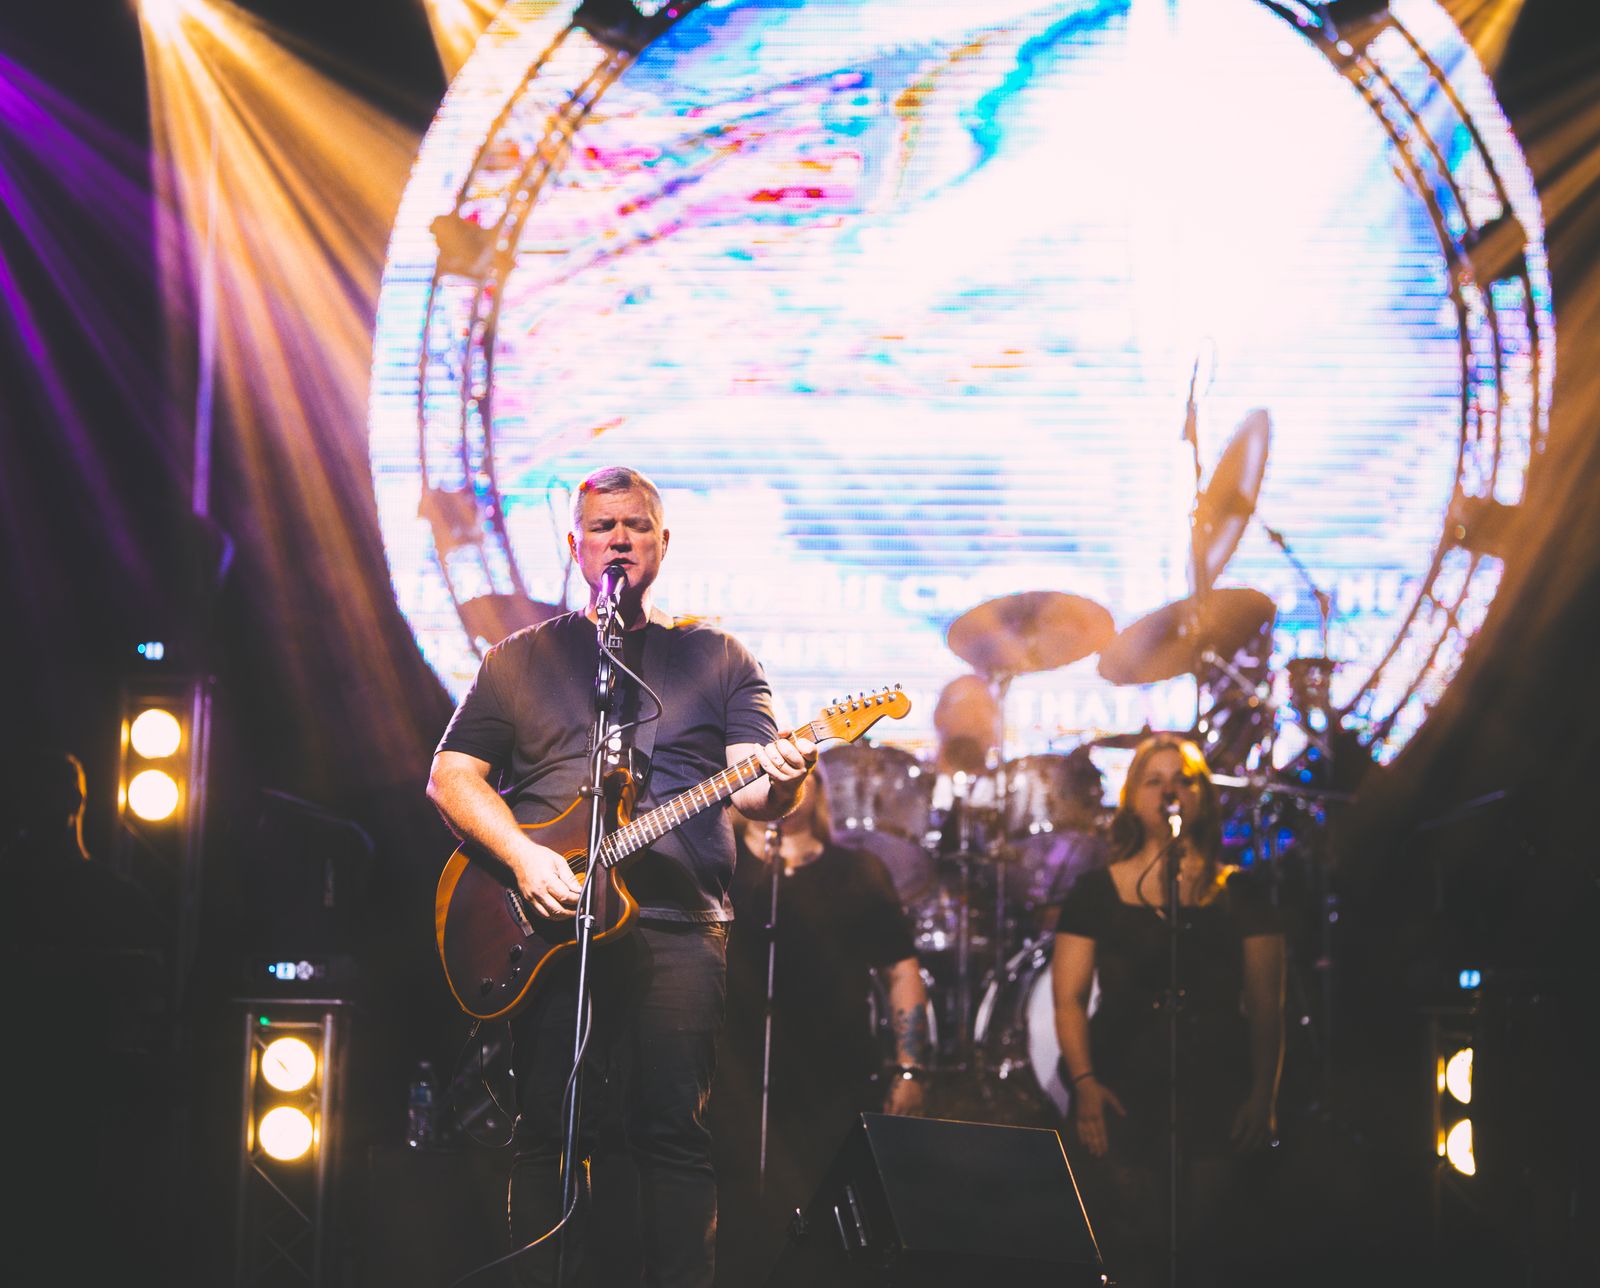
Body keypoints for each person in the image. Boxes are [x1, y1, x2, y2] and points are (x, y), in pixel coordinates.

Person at [426, 466, 818, 1288]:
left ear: (663, 543)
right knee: (550, 1133)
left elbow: (754, 790)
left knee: (672, 1136)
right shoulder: (520, 658)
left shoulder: (718, 658)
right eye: (603, 528)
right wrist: (524, 857)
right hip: (547, 924)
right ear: (575, 547)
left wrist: (785, 779)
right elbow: (452, 777)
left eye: (636, 526)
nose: (619, 541)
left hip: (679, 928)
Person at [1050, 733, 1285, 1288]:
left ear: (1202, 795)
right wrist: (1085, 1082)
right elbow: (1069, 999)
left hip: (1215, 1077)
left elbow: (1267, 1004)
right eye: (1154, 781)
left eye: (1182, 780)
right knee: (1133, 1237)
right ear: (1133, 798)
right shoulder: (1095, 891)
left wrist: (1264, 1095)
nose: (1169, 792)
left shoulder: (1242, 892)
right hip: (1125, 1077)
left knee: (1209, 1239)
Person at [712, 767, 930, 1286]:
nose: (785, 779)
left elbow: (901, 971)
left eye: (800, 771)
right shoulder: (721, 867)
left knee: (823, 1229)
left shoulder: (858, 871)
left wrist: (909, 1068)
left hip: (832, 1078)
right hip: (729, 1078)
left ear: (821, 790)